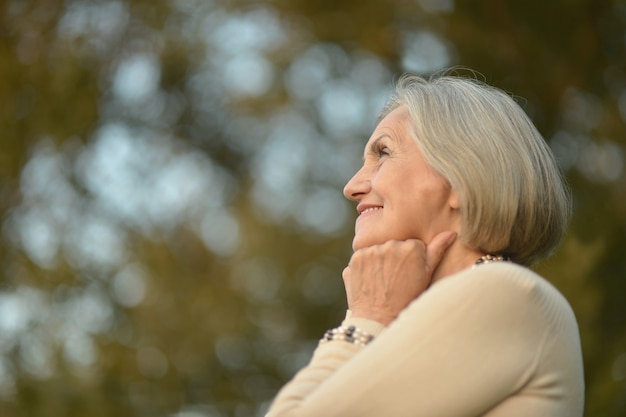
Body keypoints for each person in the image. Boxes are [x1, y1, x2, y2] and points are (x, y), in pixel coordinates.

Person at [265, 71, 584, 416]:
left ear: (460, 175)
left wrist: (367, 316)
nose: (352, 186)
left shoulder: (506, 293)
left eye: (383, 153)